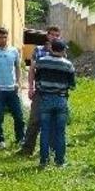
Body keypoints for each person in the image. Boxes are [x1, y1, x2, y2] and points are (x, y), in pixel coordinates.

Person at [19, 25, 61, 156]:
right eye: (52, 35)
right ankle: (27, 149)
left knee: (53, 122)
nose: (54, 37)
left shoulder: (62, 51)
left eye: (57, 35)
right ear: (47, 35)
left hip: (56, 93)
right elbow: (32, 70)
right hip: (40, 91)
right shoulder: (39, 50)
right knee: (34, 120)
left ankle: (50, 150)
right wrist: (30, 88)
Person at [34, 40, 76, 168]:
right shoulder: (68, 64)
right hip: (61, 99)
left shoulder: (41, 61)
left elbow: (38, 79)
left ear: (51, 48)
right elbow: (72, 86)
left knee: (45, 130)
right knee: (60, 132)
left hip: (45, 98)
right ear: (63, 50)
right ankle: (60, 161)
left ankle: (43, 161)